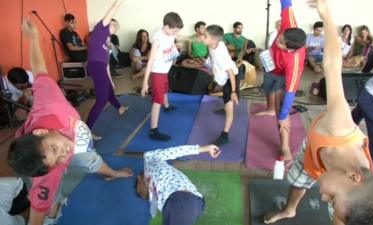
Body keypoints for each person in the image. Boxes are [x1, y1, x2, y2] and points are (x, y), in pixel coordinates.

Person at [263, 0, 373, 224]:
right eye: (333, 199)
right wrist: (326, 14)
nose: (324, 198)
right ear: (353, 177)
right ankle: (290, 210)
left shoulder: (350, 206)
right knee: (298, 182)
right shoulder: (339, 126)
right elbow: (333, 64)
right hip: (315, 150)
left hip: (325, 160)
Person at [7, 19, 134, 225]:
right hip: (50, 168)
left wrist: (33, 38)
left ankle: (112, 173)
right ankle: (54, 214)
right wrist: (45, 210)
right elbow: (36, 215)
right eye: (56, 158)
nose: (63, 152)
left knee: (91, 160)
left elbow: (38, 67)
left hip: (75, 140)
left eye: (55, 148)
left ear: (41, 133)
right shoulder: (46, 168)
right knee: (51, 197)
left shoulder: (47, 102)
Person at [254, 0, 306, 163]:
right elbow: (286, 4)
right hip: (272, 65)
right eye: (281, 36)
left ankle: (285, 147)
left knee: (280, 113)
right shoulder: (289, 27)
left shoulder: (294, 63)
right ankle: (270, 109)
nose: (278, 40)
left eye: (282, 43)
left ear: (291, 49)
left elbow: (290, 93)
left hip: (283, 76)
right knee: (268, 89)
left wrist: (283, 115)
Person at [136, 144, 220, 225]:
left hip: (182, 201)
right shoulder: (153, 191)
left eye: (140, 190)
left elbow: (177, 151)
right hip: (189, 203)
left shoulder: (150, 157)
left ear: (139, 178)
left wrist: (205, 148)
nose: (142, 191)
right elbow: (154, 204)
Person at [86, 0, 129, 139]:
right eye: (115, 25)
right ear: (108, 22)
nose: (116, 28)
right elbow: (114, 8)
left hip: (100, 67)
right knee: (102, 99)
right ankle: (87, 131)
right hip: (95, 65)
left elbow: (106, 65)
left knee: (109, 90)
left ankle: (119, 107)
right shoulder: (100, 29)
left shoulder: (106, 43)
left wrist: (110, 80)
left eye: (118, 27)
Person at [141, 12, 183, 141]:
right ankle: (154, 130)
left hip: (165, 70)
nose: (175, 33)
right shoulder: (157, 40)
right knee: (157, 101)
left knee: (165, 89)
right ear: (166, 27)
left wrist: (176, 46)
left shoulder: (170, 33)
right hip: (157, 72)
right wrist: (145, 84)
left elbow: (171, 43)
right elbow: (150, 62)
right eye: (174, 30)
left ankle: (167, 106)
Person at [203, 25, 239, 146]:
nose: (203, 38)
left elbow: (231, 73)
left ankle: (225, 135)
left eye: (205, 36)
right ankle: (226, 105)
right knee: (225, 95)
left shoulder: (220, 54)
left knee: (229, 106)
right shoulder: (212, 44)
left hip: (231, 78)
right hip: (224, 79)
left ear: (213, 39)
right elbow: (211, 56)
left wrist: (233, 91)